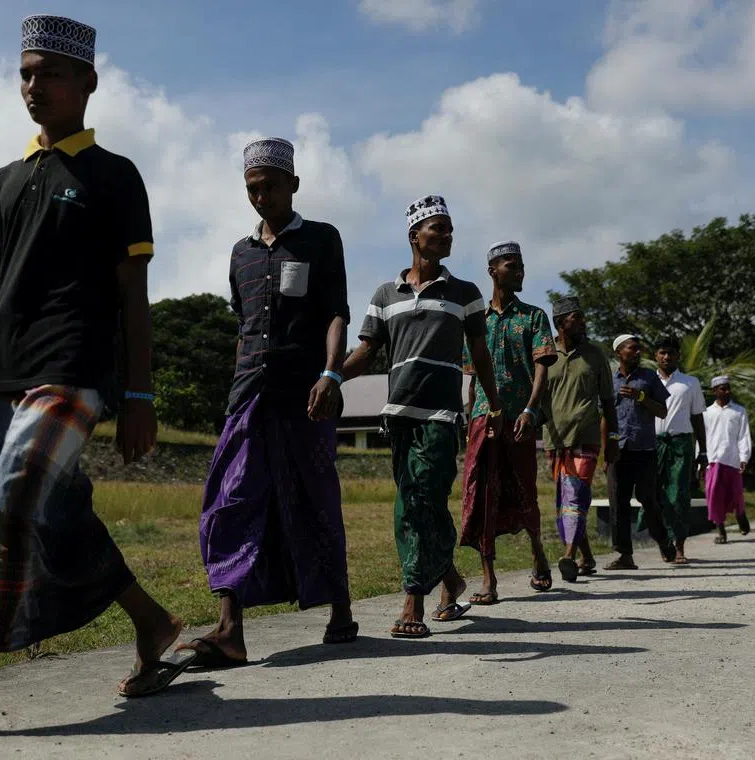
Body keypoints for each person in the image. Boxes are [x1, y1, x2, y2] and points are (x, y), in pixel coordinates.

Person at [0, 15, 187, 748]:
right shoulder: (6, 179)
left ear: (87, 82)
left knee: (11, 508)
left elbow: (132, 293)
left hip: (73, 371)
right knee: (56, 518)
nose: (33, 86)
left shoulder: (114, 176)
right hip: (5, 375)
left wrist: (138, 395)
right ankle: (154, 623)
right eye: (24, 73)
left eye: (49, 72)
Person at [175, 138, 356, 667]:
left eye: (271, 187)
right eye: (252, 189)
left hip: (307, 396)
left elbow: (336, 314)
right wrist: (234, 388)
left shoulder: (322, 240)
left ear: (293, 184)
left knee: (316, 495)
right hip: (248, 395)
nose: (261, 197)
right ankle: (231, 628)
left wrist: (331, 374)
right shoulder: (241, 253)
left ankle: (340, 609)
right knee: (229, 499)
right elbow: (243, 326)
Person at [343, 195, 503, 638]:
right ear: (415, 235)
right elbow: (367, 352)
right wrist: (331, 376)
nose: (448, 236)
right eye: (439, 228)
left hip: (441, 414)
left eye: (451, 230)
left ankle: (413, 599)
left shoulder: (466, 294)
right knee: (407, 504)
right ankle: (449, 577)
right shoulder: (384, 295)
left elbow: (481, 354)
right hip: (398, 415)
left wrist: (493, 405)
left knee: (424, 499)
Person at [459, 241, 557, 603]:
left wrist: (531, 410)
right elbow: (472, 380)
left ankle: (537, 551)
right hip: (484, 420)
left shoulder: (533, 317)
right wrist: (470, 417)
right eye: (512, 266)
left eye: (521, 266)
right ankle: (489, 578)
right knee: (481, 494)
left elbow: (542, 367)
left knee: (524, 490)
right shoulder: (477, 323)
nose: (520, 272)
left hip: (519, 418)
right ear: (493, 271)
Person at [541, 296, 619, 583]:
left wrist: (612, 437)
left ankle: (569, 555)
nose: (584, 322)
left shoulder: (596, 355)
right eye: (578, 317)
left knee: (575, 495)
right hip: (553, 438)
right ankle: (587, 555)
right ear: (561, 323)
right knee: (567, 500)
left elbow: (609, 403)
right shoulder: (544, 353)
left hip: (586, 436)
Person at [604, 335, 672, 570]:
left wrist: (641, 397)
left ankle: (663, 540)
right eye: (632, 349)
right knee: (618, 503)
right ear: (618, 352)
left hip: (644, 449)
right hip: (617, 450)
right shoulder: (609, 380)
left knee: (648, 499)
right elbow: (602, 416)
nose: (638, 352)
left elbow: (662, 411)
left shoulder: (649, 377)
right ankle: (624, 555)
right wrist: (605, 450)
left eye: (639, 348)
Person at [652, 337, 707, 565]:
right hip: (652, 445)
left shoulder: (690, 383)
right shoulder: (646, 380)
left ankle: (679, 546)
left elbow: (697, 418)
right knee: (654, 496)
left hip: (681, 444)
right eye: (663, 353)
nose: (667, 357)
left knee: (679, 495)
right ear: (656, 355)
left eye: (671, 353)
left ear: (678, 356)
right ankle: (663, 544)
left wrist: (702, 451)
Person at [701, 376, 752, 543]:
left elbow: (744, 435)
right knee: (714, 496)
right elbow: (701, 437)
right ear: (714, 391)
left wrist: (744, 457)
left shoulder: (739, 411)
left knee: (735, 495)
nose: (727, 391)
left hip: (732, 459)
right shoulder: (706, 412)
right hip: (713, 460)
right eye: (723, 388)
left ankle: (741, 514)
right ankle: (721, 530)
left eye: (728, 388)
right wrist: (700, 459)